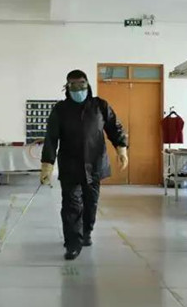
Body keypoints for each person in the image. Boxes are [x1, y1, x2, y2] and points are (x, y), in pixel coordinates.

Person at [40, 69, 128, 260]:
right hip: (70, 165)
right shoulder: (60, 109)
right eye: (73, 85)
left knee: (91, 203)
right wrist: (47, 163)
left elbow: (114, 127)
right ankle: (73, 243)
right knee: (71, 205)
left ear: (87, 85)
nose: (77, 88)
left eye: (81, 84)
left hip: (95, 164)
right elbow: (51, 138)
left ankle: (86, 232)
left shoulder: (100, 106)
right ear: (67, 87)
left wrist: (121, 148)